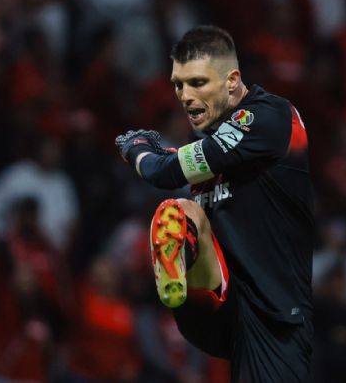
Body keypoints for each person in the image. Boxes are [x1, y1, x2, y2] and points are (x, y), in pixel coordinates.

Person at [116, 25, 314, 382]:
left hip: (273, 315)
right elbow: (178, 160)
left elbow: (165, 170)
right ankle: (181, 279)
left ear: (232, 80)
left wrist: (137, 152)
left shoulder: (269, 118)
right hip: (219, 304)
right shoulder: (207, 137)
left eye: (197, 83)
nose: (186, 96)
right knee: (180, 213)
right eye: (178, 84)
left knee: (181, 206)